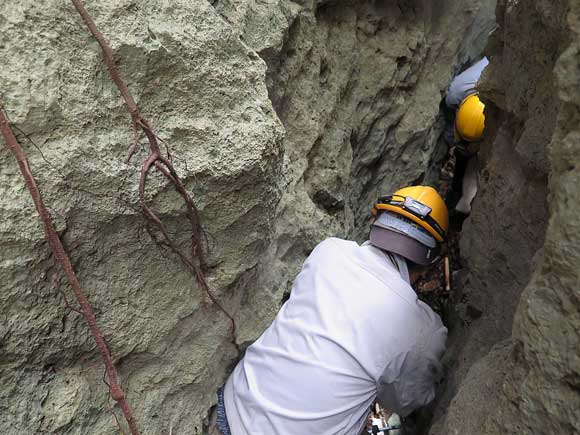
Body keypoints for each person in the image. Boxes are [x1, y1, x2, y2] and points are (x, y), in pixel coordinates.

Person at [212, 186, 449, 435]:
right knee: (390, 426)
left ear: (376, 221)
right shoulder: (422, 329)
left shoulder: (329, 251)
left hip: (231, 411)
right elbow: (404, 401)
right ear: (430, 261)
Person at [444, 57, 489, 215]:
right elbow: (451, 121)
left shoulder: (503, 104)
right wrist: (455, 143)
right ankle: (456, 190)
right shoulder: (455, 94)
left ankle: (465, 199)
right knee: (462, 153)